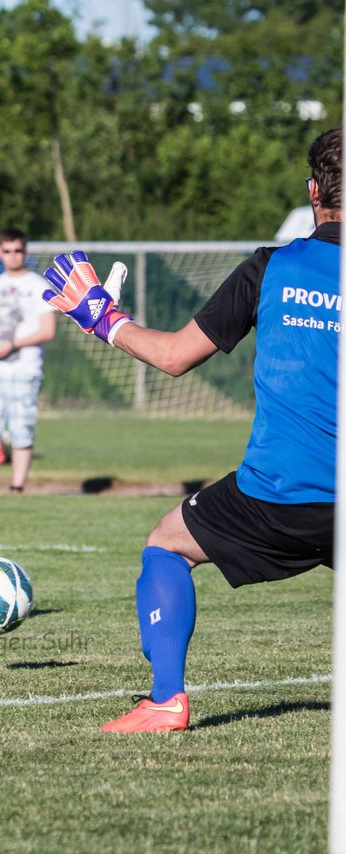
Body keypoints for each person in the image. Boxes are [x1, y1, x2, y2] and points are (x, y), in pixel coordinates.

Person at [43, 127, 340, 733]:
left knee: (167, 543)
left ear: (313, 191)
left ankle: (166, 700)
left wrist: (104, 319)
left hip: (279, 495)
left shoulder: (273, 268)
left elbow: (177, 355)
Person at [0, 228, 56, 493]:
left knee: (21, 427)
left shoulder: (38, 285)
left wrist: (14, 344)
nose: (13, 255)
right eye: (7, 251)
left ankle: (17, 487)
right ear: (0, 253)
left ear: (25, 252)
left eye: (18, 250)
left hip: (24, 367)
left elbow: (47, 330)